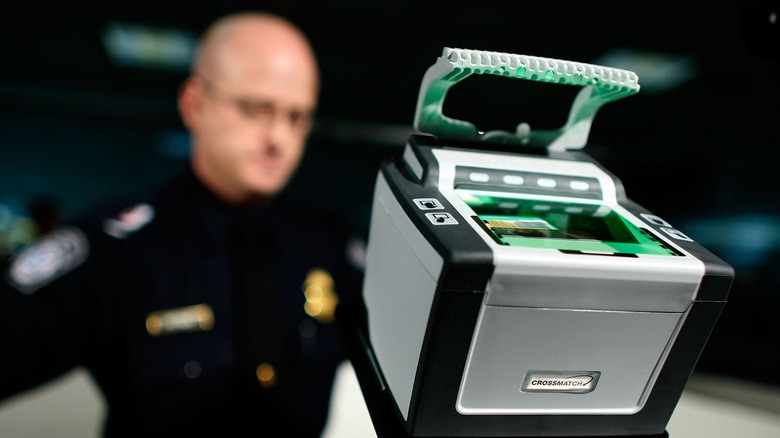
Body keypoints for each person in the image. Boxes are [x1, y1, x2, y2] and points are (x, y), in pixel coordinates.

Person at [0, 12, 363, 437]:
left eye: (296, 117)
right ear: (194, 103)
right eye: (255, 109)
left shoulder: (328, 244)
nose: (278, 139)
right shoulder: (121, 245)